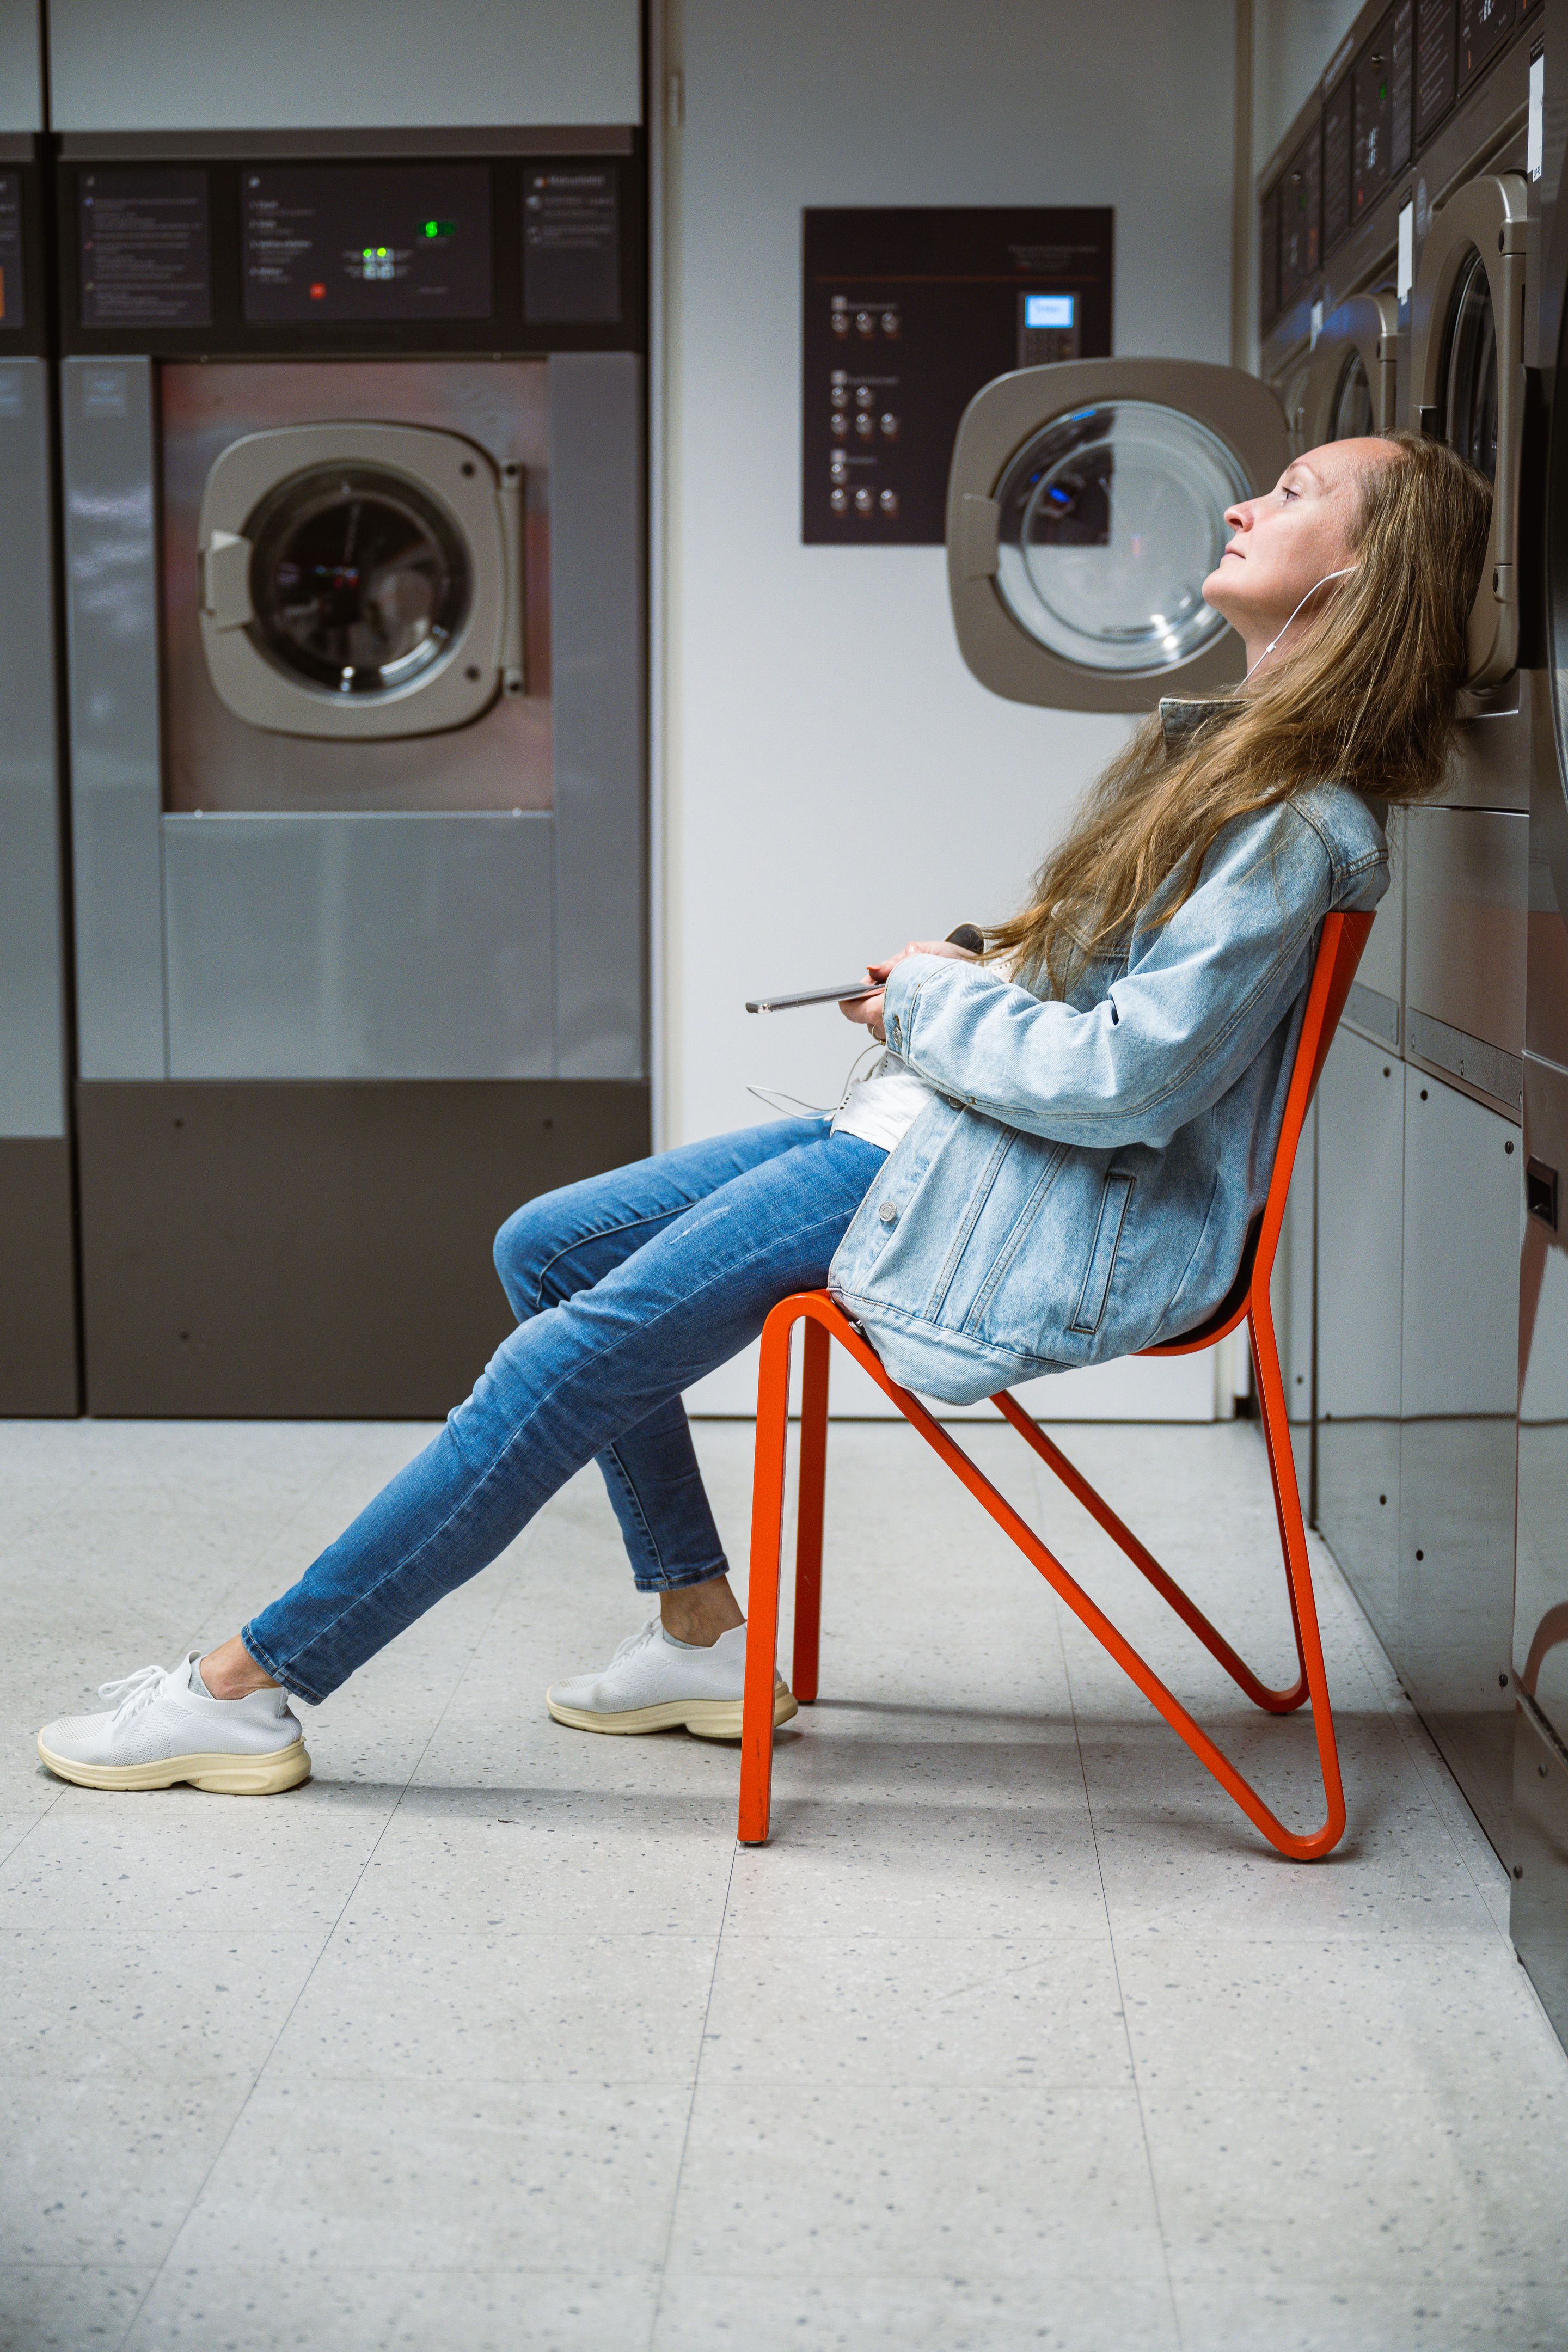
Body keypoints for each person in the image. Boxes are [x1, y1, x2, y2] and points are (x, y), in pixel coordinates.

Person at [36, 431, 1491, 1795]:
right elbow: (1108, 1002)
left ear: (1358, 578)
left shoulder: (1298, 822)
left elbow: (1127, 1080)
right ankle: (699, 1637)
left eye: (1292, 493)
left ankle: (246, 1689)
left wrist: (932, 1006)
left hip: (1011, 1188)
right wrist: (966, 968)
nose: (1243, 505)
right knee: (550, 1243)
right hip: (943, 1144)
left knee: (564, 1358)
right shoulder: (1226, 768)